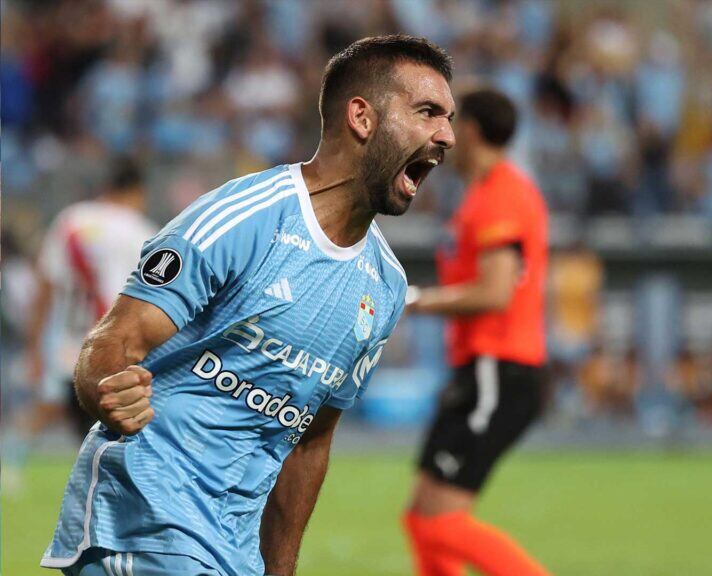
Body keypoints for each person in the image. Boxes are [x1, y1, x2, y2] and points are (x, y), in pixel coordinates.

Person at [41, 35, 455, 576]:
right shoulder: (244, 217)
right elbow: (115, 341)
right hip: (147, 521)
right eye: (427, 112)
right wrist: (106, 390)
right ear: (362, 117)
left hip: (234, 552)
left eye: (448, 118)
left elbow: (309, 441)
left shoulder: (385, 285)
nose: (445, 135)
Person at [402, 88, 551, 576]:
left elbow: (494, 293)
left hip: (499, 369)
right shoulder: (484, 194)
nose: (440, 134)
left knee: (439, 522)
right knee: (421, 517)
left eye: (445, 121)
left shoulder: (503, 196)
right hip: (479, 368)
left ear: (468, 131)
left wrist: (416, 301)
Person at [22, 159, 157, 441]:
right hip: (112, 353)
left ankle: (13, 461)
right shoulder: (142, 231)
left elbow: (45, 288)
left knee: (68, 427)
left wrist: (33, 347)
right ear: (137, 191)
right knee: (111, 439)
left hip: (65, 351)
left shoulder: (71, 221)